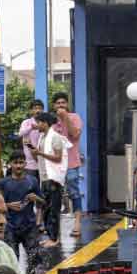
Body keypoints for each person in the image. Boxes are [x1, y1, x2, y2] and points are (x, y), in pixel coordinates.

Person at [0, 151, 45, 274]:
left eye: (21, 162)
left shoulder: (32, 181)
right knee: (12, 257)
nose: (18, 166)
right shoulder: (3, 184)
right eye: (15, 163)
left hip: (29, 225)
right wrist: (8, 205)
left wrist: (36, 199)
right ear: (10, 164)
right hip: (10, 226)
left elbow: (43, 202)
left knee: (34, 256)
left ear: (25, 163)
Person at [31, 112, 70, 247]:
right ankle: (51, 236)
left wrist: (40, 153)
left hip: (53, 178)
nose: (37, 125)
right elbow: (40, 159)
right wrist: (35, 153)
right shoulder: (42, 137)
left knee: (53, 209)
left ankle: (54, 239)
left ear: (46, 123)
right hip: (44, 178)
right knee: (47, 209)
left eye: (39, 122)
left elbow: (58, 157)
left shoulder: (55, 138)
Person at [51, 93, 84, 238]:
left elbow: (74, 135)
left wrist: (65, 118)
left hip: (71, 162)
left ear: (67, 104)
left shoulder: (75, 117)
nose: (60, 105)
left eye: (63, 103)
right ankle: (54, 226)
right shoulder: (51, 121)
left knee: (74, 191)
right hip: (54, 164)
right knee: (54, 194)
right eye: (57, 103)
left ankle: (77, 222)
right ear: (53, 106)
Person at [17, 99, 44, 182]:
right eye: (35, 108)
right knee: (30, 187)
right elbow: (20, 134)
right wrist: (31, 127)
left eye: (40, 108)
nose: (38, 110)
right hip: (30, 163)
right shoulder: (26, 122)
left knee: (44, 189)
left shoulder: (45, 123)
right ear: (31, 110)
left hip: (43, 161)